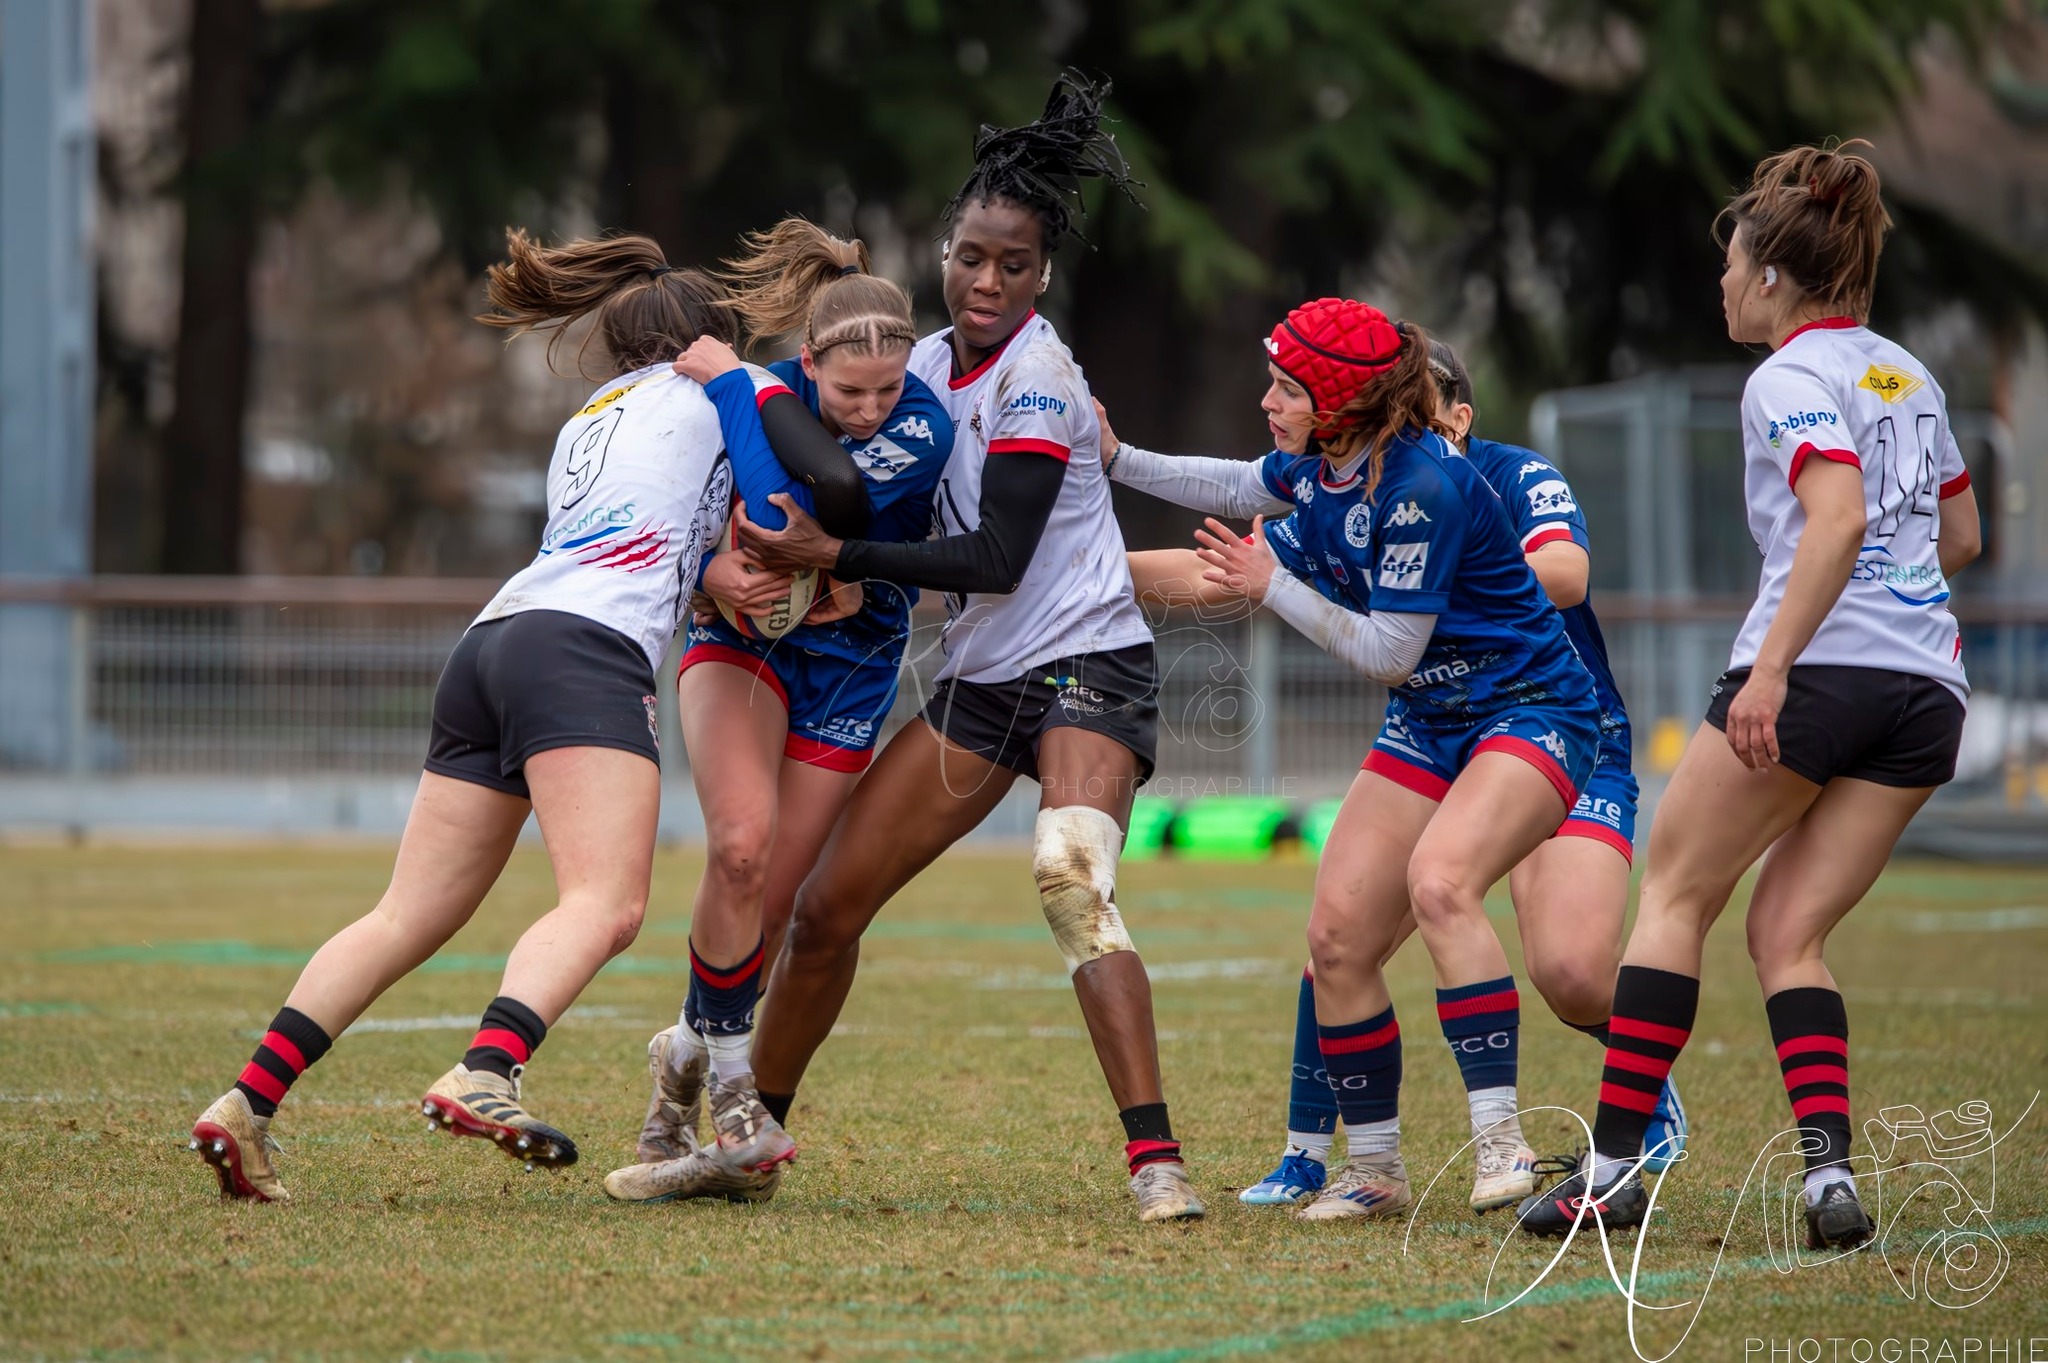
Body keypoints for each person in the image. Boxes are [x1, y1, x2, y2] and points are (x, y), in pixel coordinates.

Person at [186, 229, 863, 1202]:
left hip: (493, 642)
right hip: (582, 652)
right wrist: (793, 541)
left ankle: (247, 1102)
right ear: (704, 344)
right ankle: (488, 1068)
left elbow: (650, 530)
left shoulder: (590, 414)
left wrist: (712, 577)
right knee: (607, 902)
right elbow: (779, 499)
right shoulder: (717, 392)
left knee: (404, 911)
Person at [665, 72, 1205, 1224]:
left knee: (1069, 879)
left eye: (1012, 263)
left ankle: (1154, 1160)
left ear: (1042, 274)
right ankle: (748, 1127)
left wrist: (834, 558)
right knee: (823, 909)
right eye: (970, 255)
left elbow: (997, 556)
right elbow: (842, 480)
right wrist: (757, 545)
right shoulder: (907, 371)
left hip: (1088, 672)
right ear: (944, 253)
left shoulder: (1037, 382)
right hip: (983, 681)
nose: (986, 280)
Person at [1519, 141, 1981, 1248]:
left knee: (1674, 896)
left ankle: (1613, 1170)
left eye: (1731, 266)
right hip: (1924, 688)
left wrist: (1771, 669)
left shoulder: (1784, 375)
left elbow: (1836, 518)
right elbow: (1958, 534)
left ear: (1771, 278)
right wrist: (1885, 605)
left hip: (1816, 674)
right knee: (1786, 932)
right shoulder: (1903, 370)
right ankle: (1826, 1181)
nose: (1721, 284)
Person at [1105, 341, 1681, 1209]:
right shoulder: (1332, 478)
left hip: (1542, 716)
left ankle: (1552, 1121)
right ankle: (1364, 1169)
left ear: (1454, 413)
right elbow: (1226, 524)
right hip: (1434, 722)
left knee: (1550, 956)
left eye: (1286, 387)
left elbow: (1553, 578)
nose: (1266, 400)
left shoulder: (1461, 480)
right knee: (1337, 933)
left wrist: (1439, 572)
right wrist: (1070, 575)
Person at [601, 219, 953, 1204]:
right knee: (741, 849)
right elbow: (711, 513)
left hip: (848, 669)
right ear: (807, 365)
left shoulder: (921, 429)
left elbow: (810, 533)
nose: (873, 409)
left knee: (771, 897)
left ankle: (678, 1066)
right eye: (849, 394)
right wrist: (716, 564)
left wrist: (788, 551)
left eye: (888, 389)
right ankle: (723, 1085)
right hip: (740, 643)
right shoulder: (761, 395)